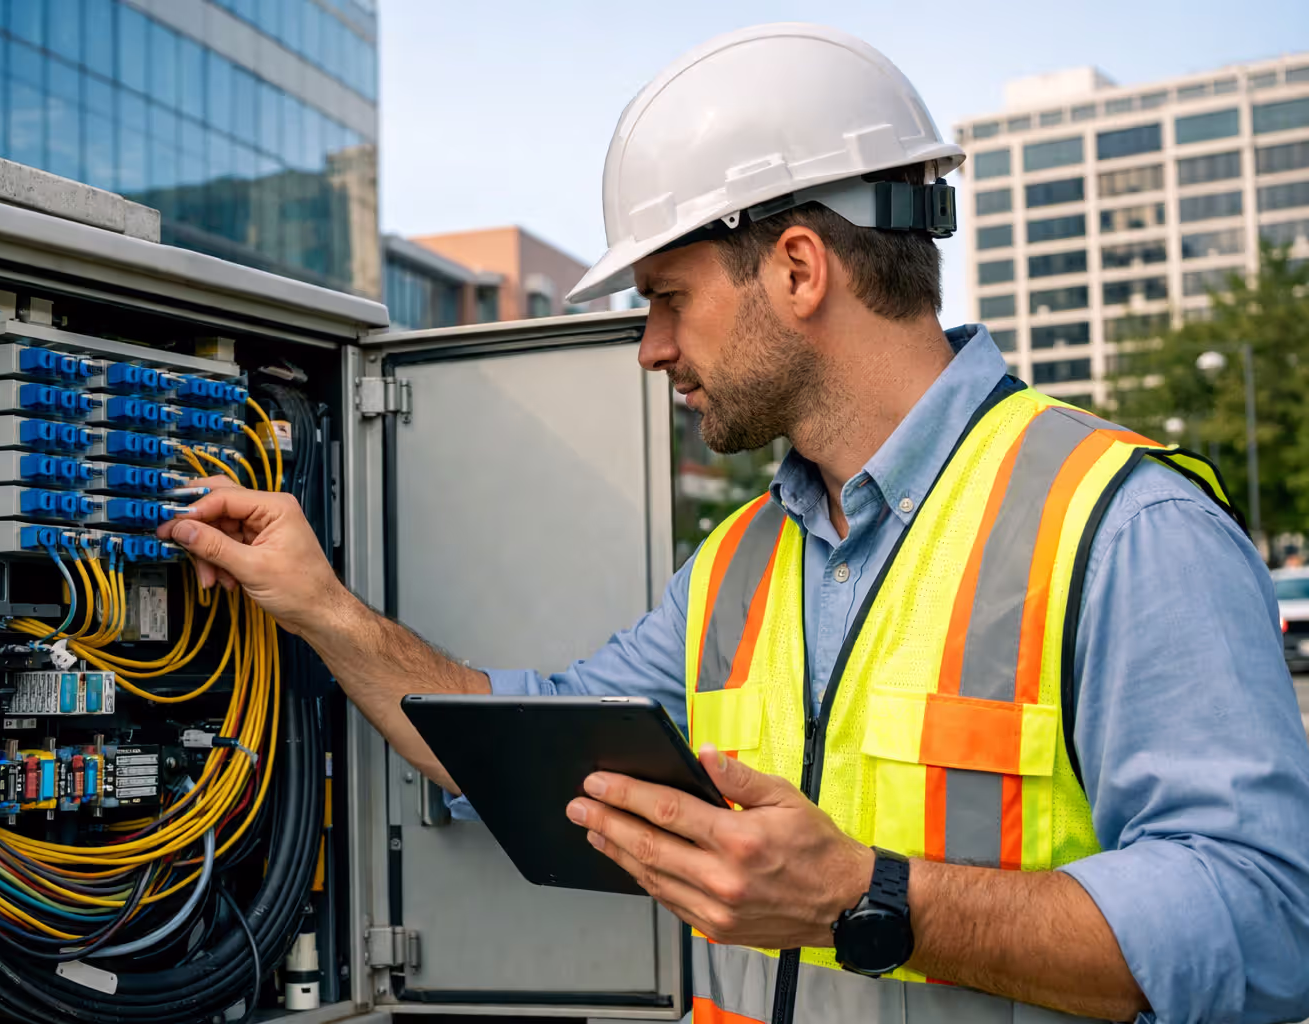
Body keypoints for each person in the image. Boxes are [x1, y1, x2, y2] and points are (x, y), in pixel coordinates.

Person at [157, 23, 1309, 1024]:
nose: (652, 347)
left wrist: (868, 898)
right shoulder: (739, 566)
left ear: (799, 268)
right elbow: (528, 738)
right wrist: (321, 607)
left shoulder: (1119, 523)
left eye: (667, 298)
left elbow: (1268, 922)